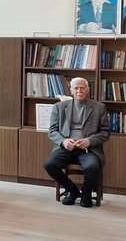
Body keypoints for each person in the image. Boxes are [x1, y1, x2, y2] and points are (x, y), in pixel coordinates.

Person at [43, 77, 110, 208]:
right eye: (76, 88)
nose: (79, 91)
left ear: (88, 89)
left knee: (92, 167)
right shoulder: (59, 107)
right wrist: (63, 141)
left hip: (88, 150)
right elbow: (52, 131)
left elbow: (105, 133)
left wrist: (89, 141)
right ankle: (72, 191)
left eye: (82, 88)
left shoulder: (99, 107)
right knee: (49, 165)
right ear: (71, 90)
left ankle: (86, 194)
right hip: (66, 148)